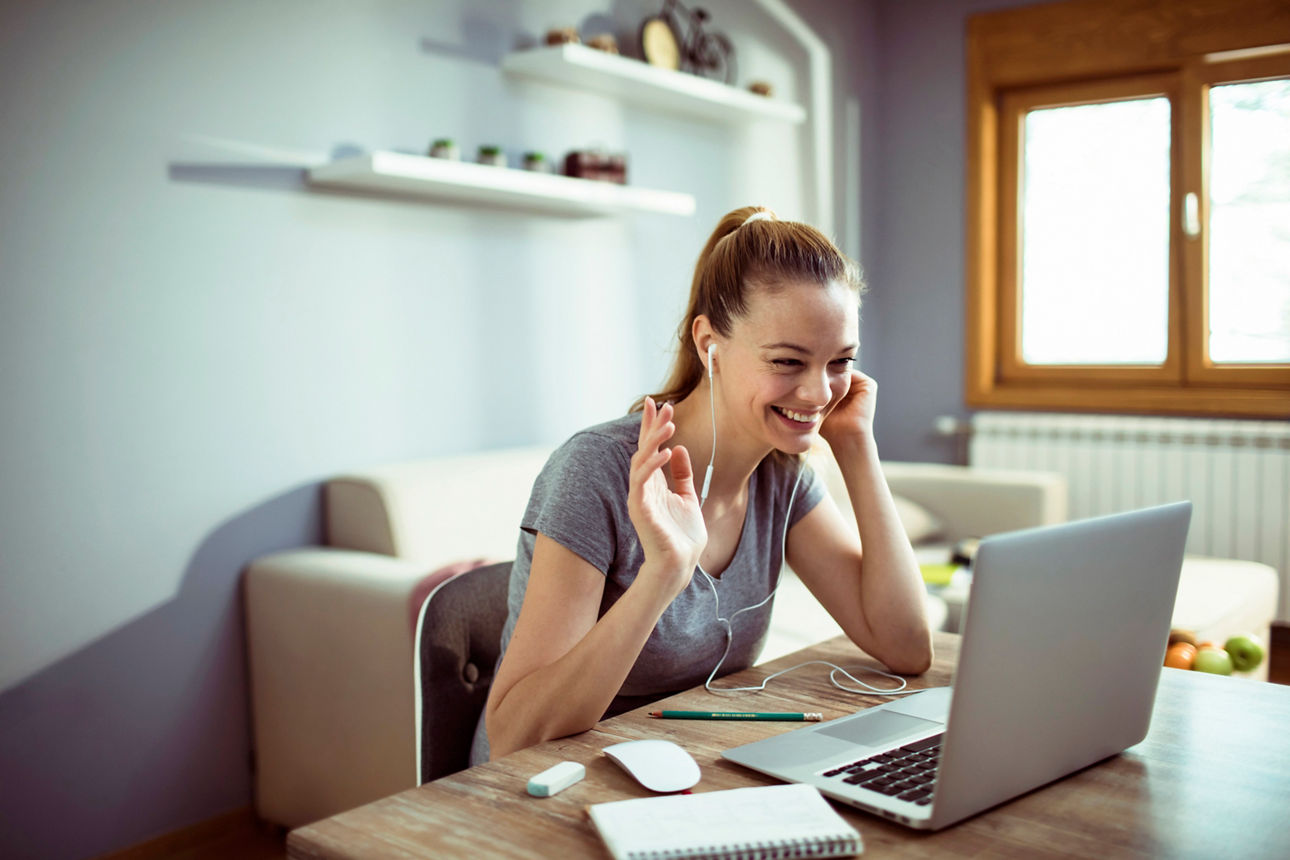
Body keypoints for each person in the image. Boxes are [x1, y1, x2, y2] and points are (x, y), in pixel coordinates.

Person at [472, 205, 933, 763]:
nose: (819, 393)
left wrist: (857, 447)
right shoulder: (596, 470)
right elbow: (514, 736)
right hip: (547, 783)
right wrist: (664, 574)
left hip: (682, 765)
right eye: (788, 362)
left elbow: (906, 647)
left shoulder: (782, 478)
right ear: (709, 343)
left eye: (841, 361)